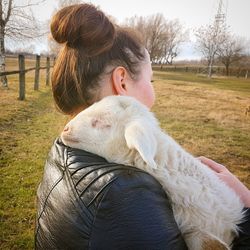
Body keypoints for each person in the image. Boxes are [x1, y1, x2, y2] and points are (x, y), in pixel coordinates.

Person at [35, 3, 250, 249]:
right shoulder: (126, 193)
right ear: (122, 82)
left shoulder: (65, 151)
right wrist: (246, 208)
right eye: (151, 79)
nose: (153, 91)